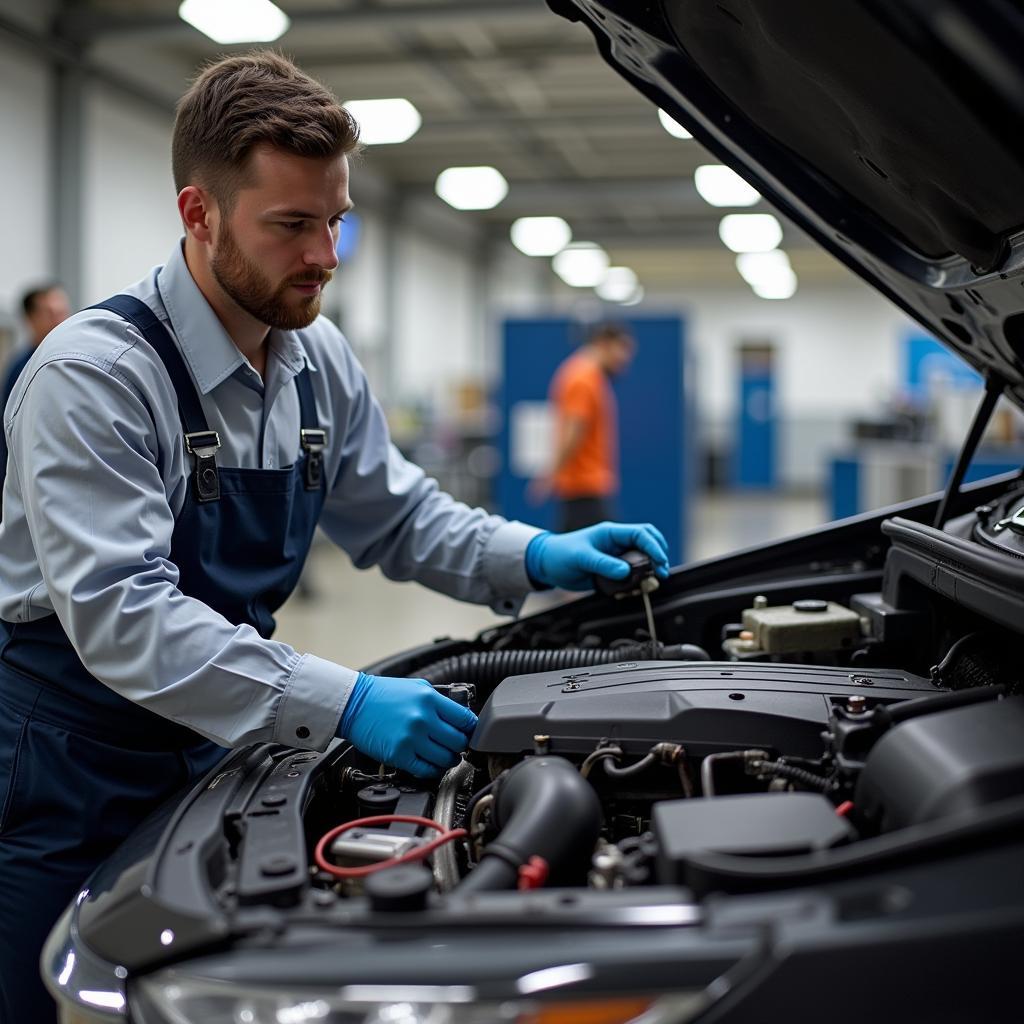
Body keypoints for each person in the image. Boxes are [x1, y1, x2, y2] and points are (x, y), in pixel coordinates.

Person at [0, 52, 668, 1021]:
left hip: (208, 731)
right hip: (70, 750)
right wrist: (344, 698)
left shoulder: (315, 359)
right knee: (44, 995)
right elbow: (121, 614)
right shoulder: (95, 374)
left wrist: (532, 553)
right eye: (291, 225)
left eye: (335, 220)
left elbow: (398, 513)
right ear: (200, 212)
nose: (324, 255)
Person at [533, 322, 636, 532]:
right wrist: (550, 474)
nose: (625, 359)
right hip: (584, 488)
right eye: (622, 349)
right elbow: (574, 431)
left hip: (586, 487)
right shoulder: (582, 378)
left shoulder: (589, 376)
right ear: (604, 343)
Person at [0, 284, 71, 487]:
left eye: (62, 312)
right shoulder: (24, 368)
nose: (60, 320)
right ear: (30, 319)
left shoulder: (69, 361)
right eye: (50, 313)